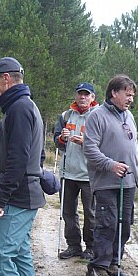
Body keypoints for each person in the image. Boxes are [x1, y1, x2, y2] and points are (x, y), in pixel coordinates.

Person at [0, 57, 45, 276]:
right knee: (20, 258)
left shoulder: (20, 108)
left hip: (17, 200)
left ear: (5, 78)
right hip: (26, 196)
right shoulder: (25, 106)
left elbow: (18, 160)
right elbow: (38, 155)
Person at [83, 74, 138, 276]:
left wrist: (137, 175)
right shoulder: (96, 116)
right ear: (114, 93)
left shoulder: (129, 116)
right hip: (106, 182)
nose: (131, 99)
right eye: (127, 94)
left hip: (128, 183)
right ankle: (98, 267)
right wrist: (111, 165)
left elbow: (132, 149)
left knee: (124, 224)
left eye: (132, 95)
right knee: (107, 224)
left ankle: (114, 262)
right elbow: (90, 150)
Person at [53, 82, 98, 260]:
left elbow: (104, 143)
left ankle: (91, 247)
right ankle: (73, 246)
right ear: (75, 96)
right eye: (80, 94)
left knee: (91, 213)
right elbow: (57, 143)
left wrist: (85, 142)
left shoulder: (98, 116)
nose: (83, 97)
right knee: (68, 212)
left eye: (86, 94)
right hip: (67, 173)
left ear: (93, 98)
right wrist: (61, 138)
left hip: (90, 174)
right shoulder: (66, 115)